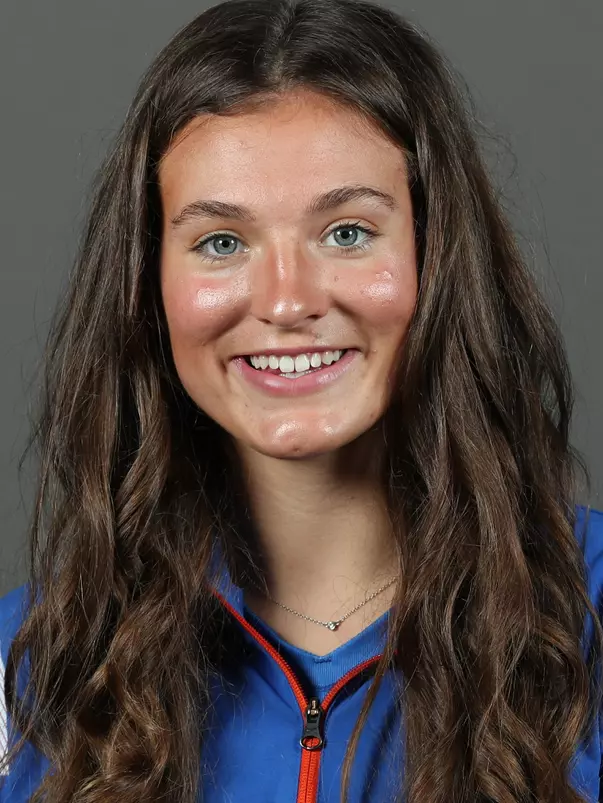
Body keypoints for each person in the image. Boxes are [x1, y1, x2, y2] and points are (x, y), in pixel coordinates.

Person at [1, 0, 602, 800]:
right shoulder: (33, 660)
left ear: (437, 258)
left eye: (347, 232)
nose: (286, 300)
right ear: (149, 288)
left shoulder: (587, 610)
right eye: (222, 242)